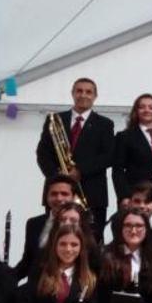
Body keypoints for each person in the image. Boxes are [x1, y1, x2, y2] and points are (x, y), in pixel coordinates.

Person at [36, 77, 115, 238]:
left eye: (88, 92)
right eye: (79, 91)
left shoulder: (105, 124)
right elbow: (42, 153)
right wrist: (58, 175)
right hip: (57, 192)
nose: (83, 95)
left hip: (91, 194)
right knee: (54, 237)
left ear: (95, 96)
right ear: (72, 93)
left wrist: (80, 171)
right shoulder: (55, 120)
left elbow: (108, 156)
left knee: (91, 240)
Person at [111, 93, 152, 224]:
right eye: (142, 107)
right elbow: (117, 170)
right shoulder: (124, 136)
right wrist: (124, 197)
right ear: (136, 111)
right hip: (134, 199)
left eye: (151, 107)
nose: (147, 110)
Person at [15, 175, 79, 284]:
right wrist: (6, 279)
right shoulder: (34, 224)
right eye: (54, 194)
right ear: (47, 197)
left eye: (64, 194)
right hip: (37, 288)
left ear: (73, 197)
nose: (59, 198)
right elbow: (28, 261)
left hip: (72, 289)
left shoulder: (85, 223)